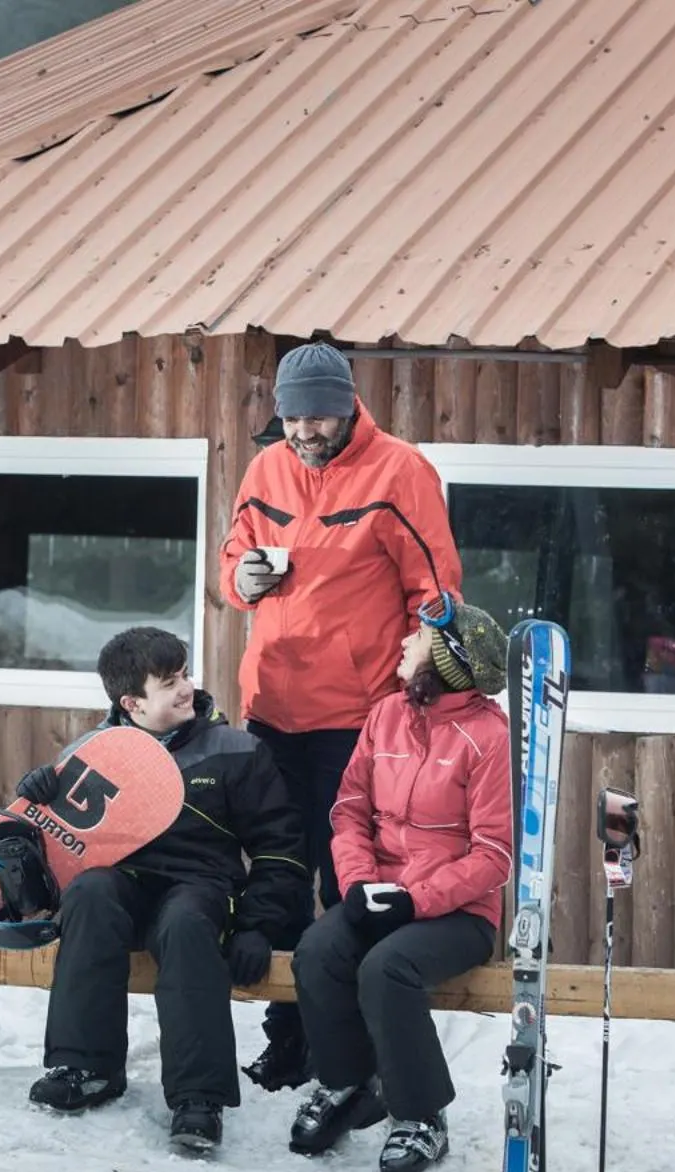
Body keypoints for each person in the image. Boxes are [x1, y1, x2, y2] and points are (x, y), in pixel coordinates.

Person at [219, 341, 464, 1091]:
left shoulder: (400, 471)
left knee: (345, 879)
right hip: (271, 712)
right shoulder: (266, 469)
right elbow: (233, 556)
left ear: (348, 407)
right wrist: (241, 579)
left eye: (318, 418)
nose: (304, 432)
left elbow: (437, 592)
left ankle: (348, 1050)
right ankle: (290, 1037)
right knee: (277, 879)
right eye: (292, 418)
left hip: (357, 720)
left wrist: (427, 686)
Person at [16, 627, 305, 1152]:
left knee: (186, 921)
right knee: (89, 895)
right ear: (132, 703)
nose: (186, 688)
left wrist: (259, 927)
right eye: (169, 682)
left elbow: (280, 849)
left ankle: (199, 1097)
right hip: (123, 885)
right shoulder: (93, 754)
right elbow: (57, 852)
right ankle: (87, 1067)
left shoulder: (236, 750)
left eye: (185, 675)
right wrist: (40, 800)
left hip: (200, 885)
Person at [287, 601, 513, 1172]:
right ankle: (348, 1083)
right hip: (381, 889)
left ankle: (420, 1114)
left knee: (386, 968)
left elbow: (494, 855)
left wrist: (416, 900)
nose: (407, 643)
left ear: (446, 660)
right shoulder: (386, 714)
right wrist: (358, 884)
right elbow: (349, 810)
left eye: (421, 636)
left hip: (458, 911)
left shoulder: (488, 737)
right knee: (317, 951)